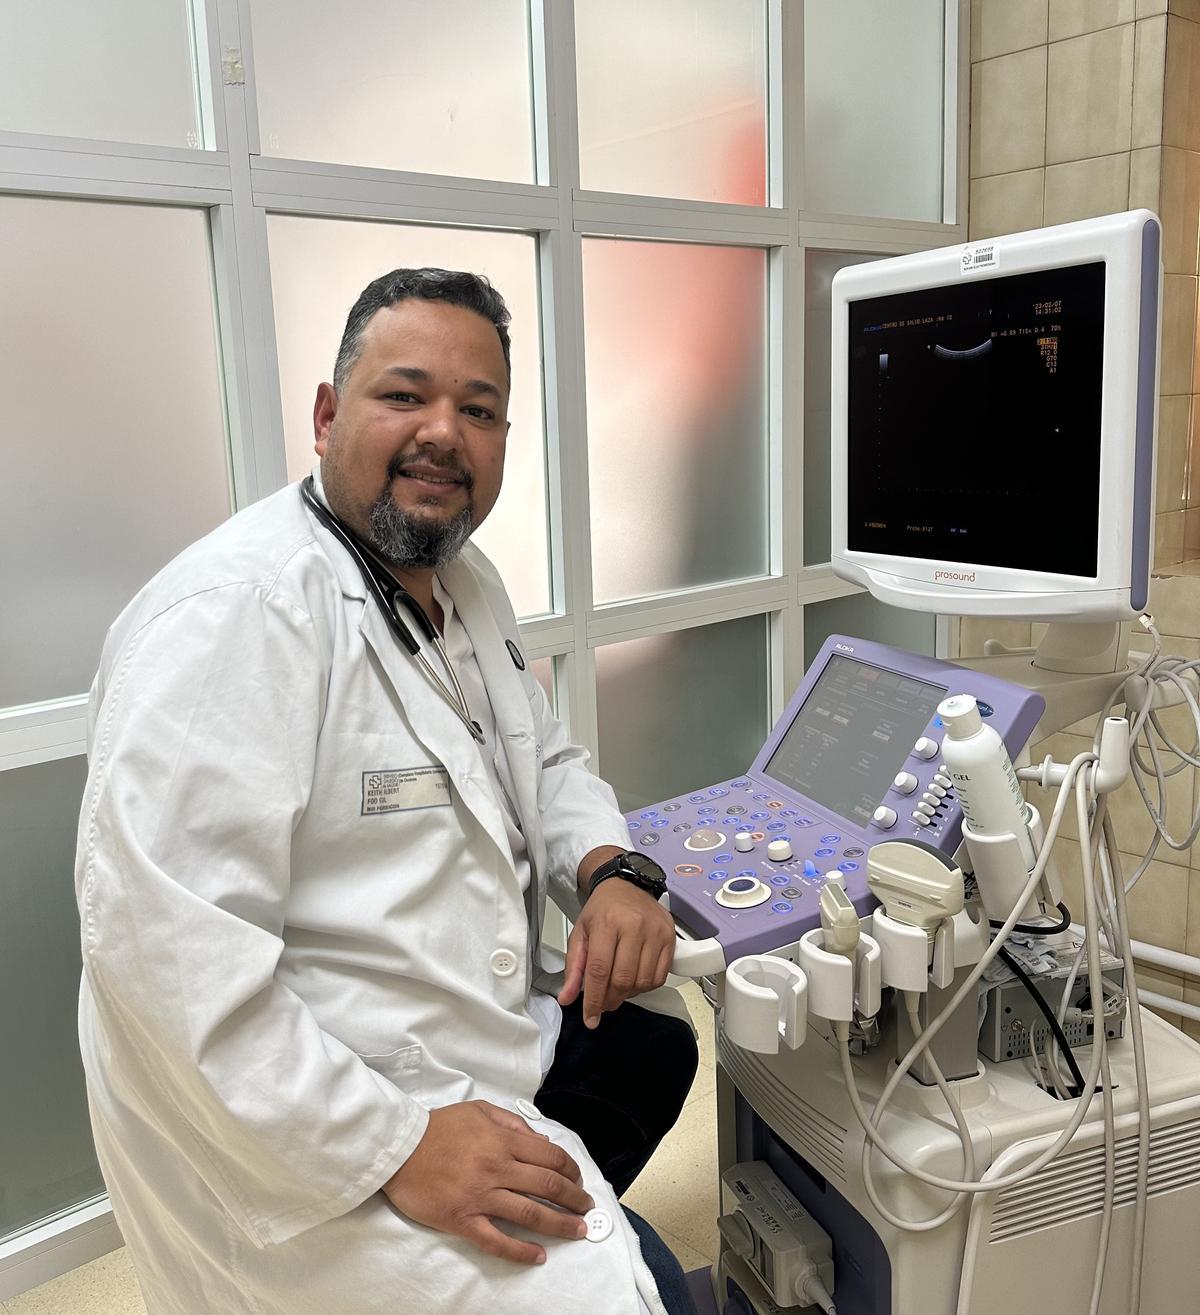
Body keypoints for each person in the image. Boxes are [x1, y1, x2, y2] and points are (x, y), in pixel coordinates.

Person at [75, 269, 700, 1314]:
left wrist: (612, 870)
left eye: (480, 409)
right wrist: (397, 1144)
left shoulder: (464, 581)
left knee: (653, 1042)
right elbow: (166, 960)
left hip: (449, 1033)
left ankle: (534, 1177)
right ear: (328, 415)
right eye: (404, 395)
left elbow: (538, 759)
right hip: (308, 1124)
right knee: (645, 1298)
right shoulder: (240, 617)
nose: (443, 433)